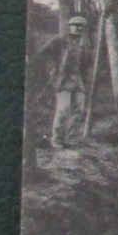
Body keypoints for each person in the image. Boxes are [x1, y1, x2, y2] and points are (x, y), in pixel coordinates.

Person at [46, 14, 90, 147]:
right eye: (76, 26)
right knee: (63, 109)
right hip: (63, 80)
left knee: (79, 109)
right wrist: (52, 68)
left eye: (81, 27)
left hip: (78, 81)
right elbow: (45, 53)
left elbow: (86, 63)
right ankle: (57, 140)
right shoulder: (60, 41)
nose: (79, 29)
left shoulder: (84, 43)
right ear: (70, 27)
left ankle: (72, 139)